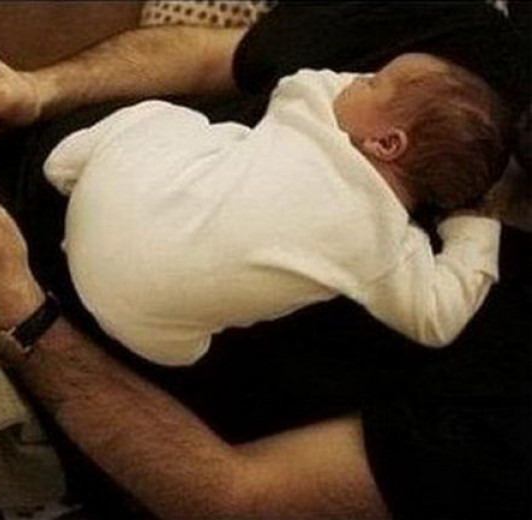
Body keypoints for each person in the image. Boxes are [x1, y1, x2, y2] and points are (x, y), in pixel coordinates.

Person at [0, 2, 530, 519]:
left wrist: (21, 317)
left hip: (13, 369)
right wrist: (38, 87)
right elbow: (222, 57)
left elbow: (234, 498)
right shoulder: (468, 44)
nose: (358, 80)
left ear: (388, 143)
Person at [39, 52, 510, 366]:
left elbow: (307, 80)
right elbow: (437, 318)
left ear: (387, 143)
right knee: (193, 337)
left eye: (371, 81)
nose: (355, 79)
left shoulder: (308, 111)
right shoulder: (383, 247)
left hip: (93, 211)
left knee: (171, 119)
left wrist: (345, 92)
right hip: (145, 329)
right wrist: (476, 225)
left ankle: (68, 164)